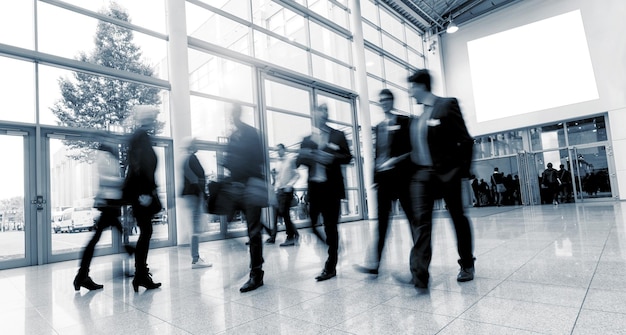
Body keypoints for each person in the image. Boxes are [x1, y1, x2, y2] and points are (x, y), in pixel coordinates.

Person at [406, 69, 475, 288]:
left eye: (412, 88)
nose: (410, 93)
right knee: (422, 223)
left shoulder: (446, 105)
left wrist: (461, 172)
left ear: (421, 86)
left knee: (457, 218)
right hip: (423, 177)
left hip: (448, 174)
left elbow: (466, 141)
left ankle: (467, 263)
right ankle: (419, 274)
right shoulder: (417, 119)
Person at [354, 89, 413, 275]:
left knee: (413, 220)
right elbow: (377, 155)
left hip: (402, 179)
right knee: (381, 223)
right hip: (384, 181)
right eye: (381, 100)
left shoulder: (404, 122)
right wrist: (374, 179)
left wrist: (396, 160)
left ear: (392, 101)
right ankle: (374, 264)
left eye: (387, 99)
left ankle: (418, 263)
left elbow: (412, 150)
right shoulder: (378, 127)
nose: (384, 102)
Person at [296, 103, 352, 281]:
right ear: (314, 115)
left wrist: (332, 158)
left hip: (331, 188)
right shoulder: (307, 139)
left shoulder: (338, 135)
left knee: (330, 226)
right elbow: (298, 162)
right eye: (318, 112)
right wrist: (307, 155)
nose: (321, 114)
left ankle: (331, 265)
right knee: (312, 225)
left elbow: (348, 157)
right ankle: (333, 245)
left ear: (326, 115)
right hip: (315, 188)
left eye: (324, 111)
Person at [73, 142, 133, 291]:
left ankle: (82, 275)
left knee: (116, 234)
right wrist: (124, 182)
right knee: (100, 238)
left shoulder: (106, 158)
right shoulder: (104, 157)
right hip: (109, 205)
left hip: (110, 205)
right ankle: (82, 275)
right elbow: (106, 180)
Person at [222, 104, 267, 292]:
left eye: (234, 112)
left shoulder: (251, 134)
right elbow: (230, 160)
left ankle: (256, 273)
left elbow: (259, 158)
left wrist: (239, 164)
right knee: (231, 225)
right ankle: (256, 259)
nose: (232, 116)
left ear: (239, 113)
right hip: (237, 187)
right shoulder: (232, 136)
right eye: (230, 113)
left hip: (251, 186)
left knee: (254, 231)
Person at [123, 105, 162, 292]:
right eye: (152, 116)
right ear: (145, 118)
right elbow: (138, 166)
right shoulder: (140, 137)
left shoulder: (141, 136)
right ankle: (140, 275)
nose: (154, 119)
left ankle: (141, 274)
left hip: (141, 193)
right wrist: (144, 193)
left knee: (146, 233)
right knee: (145, 233)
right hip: (141, 194)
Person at [182, 138, 212, 269]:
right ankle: (195, 259)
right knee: (195, 227)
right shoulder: (191, 158)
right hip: (194, 195)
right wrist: (203, 194)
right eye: (195, 143)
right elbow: (196, 178)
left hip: (191, 195)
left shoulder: (187, 159)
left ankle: (196, 257)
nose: (197, 145)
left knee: (194, 227)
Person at [269, 143, 300, 247]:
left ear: (284, 149)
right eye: (276, 150)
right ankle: (293, 235)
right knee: (281, 213)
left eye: (279, 149)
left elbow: (297, 174)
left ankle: (291, 236)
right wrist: (276, 188)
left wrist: (289, 185)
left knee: (283, 212)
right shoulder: (277, 163)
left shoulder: (290, 160)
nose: (278, 151)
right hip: (279, 191)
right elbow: (278, 178)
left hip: (287, 191)